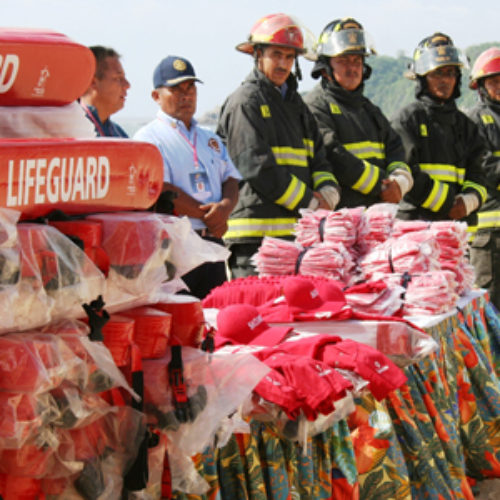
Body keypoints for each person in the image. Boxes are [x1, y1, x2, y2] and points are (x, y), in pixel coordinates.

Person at [217, 13, 341, 278]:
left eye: (289, 57)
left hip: (294, 238)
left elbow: (318, 157)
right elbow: (257, 166)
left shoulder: (298, 107)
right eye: (276, 55)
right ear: (257, 55)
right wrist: (310, 201)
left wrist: (328, 191)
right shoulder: (245, 102)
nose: (283, 63)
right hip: (253, 241)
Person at [134, 55, 241, 299]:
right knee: (180, 322)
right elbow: (160, 186)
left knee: (214, 320)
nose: (186, 95)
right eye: (175, 89)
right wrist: (211, 216)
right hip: (174, 248)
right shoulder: (148, 138)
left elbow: (231, 179)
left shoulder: (209, 139)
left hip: (213, 243)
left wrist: (224, 207)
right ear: (156, 96)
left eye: (190, 87)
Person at [304, 17, 413, 209]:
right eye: (343, 60)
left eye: (357, 60)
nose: (352, 68)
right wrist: (380, 185)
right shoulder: (316, 106)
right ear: (325, 67)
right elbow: (333, 153)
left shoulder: (369, 109)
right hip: (339, 220)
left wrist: (399, 182)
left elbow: (395, 148)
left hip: (376, 217)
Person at [391, 33, 487, 223]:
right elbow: (405, 171)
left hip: (456, 231)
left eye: (451, 72)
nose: (445, 80)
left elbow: (479, 174)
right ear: (423, 77)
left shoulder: (467, 126)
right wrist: (447, 202)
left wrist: (468, 201)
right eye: (438, 73)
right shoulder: (406, 120)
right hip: (415, 229)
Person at [467, 47, 500, 308]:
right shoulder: (476, 120)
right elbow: (486, 167)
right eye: (494, 81)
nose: (499, 87)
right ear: (481, 86)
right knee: (489, 306)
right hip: (489, 237)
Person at [80, 45, 130, 137]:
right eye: (118, 78)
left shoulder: (119, 134)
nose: (127, 85)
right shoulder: (70, 130)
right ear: (92, 82)